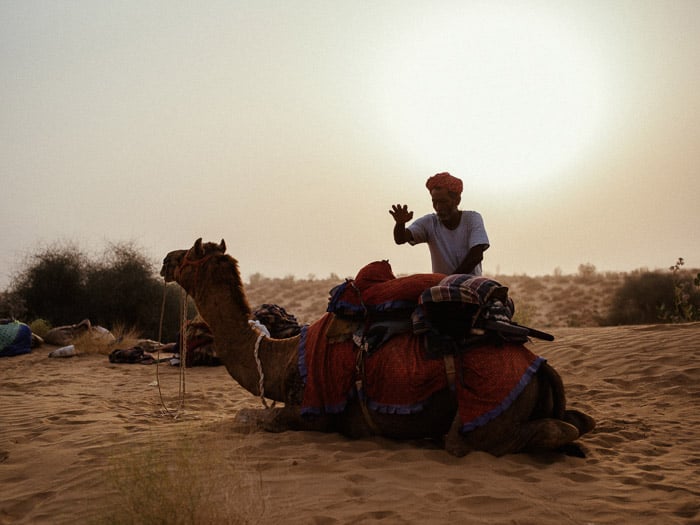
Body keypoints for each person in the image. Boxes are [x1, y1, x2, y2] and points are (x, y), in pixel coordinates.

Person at [390, 172, 489, 275]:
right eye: (435, 202)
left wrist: (452, 281)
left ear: (457, 200)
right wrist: (400, 224)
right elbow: (400, 239)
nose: (438, 207)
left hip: (471, 285)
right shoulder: (429, 222)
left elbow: (476, 255)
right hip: (441, 287)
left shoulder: (472, 219)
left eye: (443, 202)